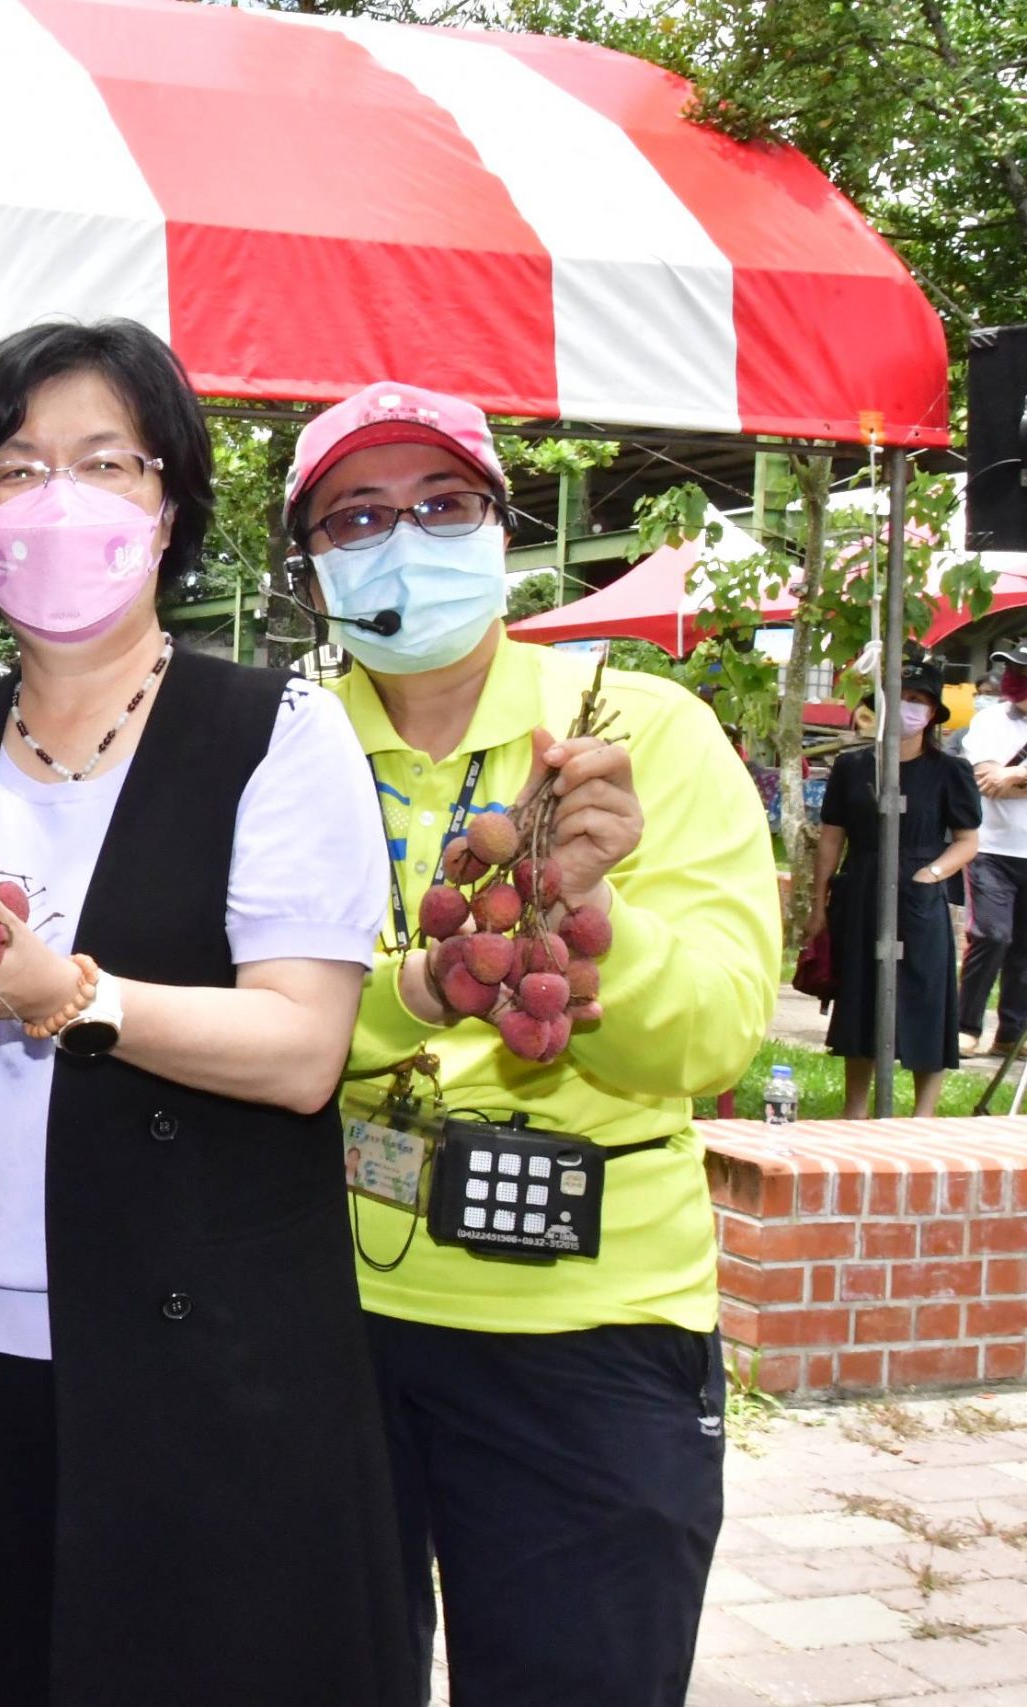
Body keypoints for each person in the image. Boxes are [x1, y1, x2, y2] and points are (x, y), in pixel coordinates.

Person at [0, 321, 413, 1707]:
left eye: (104, 461)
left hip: (199, 1357)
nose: (56, 498)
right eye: (13, 469)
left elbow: (302, 1049)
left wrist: (66, 995)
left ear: (168, 503)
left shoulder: (275, 733)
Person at [294, 382, 779, 1706]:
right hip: (322, 1311)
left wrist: (588, 918)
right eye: (357, 517)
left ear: (502, 529)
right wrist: (420, 989)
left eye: (444, 504)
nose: (405, 539)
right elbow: (248, 1014)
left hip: (591, 1325)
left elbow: (716, 1031)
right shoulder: (283, 748)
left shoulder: (636, 729)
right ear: (311, 565)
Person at [816, 662, 981, 1116]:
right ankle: (855, 1109)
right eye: (899, 697)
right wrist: (819, 903)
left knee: (926, 992)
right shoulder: (852, 766)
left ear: (931, 713)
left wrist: (931, 873)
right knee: (861, 994)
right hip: (862, 886)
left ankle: (923, 1113)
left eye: (917, 700)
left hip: (919, 889)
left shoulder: (950, 770)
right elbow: (831, 837)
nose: (907, 707)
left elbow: (967, 841)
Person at [960, 647, 1027, 1056]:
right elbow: (985, 780)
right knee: (992, 935)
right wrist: (1003, 778)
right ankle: (965, 1026)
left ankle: (1011, 1035)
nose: (1015, 678)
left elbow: (1003, 781)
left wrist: (1015, 773)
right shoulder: (989, 720)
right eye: (1013, 669)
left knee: (1025, 949)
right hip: (992, 849)